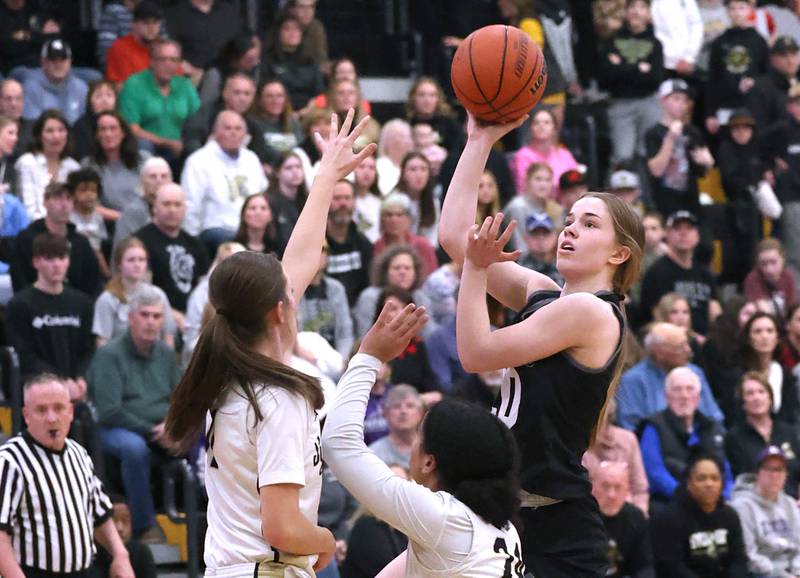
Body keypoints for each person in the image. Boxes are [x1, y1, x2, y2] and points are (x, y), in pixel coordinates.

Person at [164, 110, 377, 577]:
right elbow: (281, 527)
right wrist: (323, 538)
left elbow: (299, 261)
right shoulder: (278, 398)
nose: (295, 285)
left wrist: (324, 179)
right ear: (279, 310)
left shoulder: (226, 374)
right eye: (288, 290)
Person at [439, 113, 644, 576]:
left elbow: (475, 353)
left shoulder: (591, 313)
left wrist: (475, 270)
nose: (569, 228)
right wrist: (480, 139)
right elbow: (454, 237)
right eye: (569, 219)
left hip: (556, 528)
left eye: (589, 224)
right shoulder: (543, 294)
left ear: (618, 253)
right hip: (499, 508)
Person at [322, 302, 526, 577]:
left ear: (430, 462)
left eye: (420, 435)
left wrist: (368, 356)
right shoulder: (499, 528)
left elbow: (338, 445)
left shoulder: (442, 519)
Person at [0, 374, 135, 578]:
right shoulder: (9, 461)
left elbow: (100, 513)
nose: (52, 418)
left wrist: (120, 554)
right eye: (41, 410)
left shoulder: (78, 454)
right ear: (26, 415)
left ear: (70, 412)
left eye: (59, 408)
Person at [87, 285, 181, 543]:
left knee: (203, 437)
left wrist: (173, 427)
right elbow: (109, 411)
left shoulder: (165, 353)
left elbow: (180, 398)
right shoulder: (110, 355)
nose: (151, 322)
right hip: (116, 428)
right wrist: (154, 431)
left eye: (157, 316)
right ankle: (144, 526)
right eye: (145, 315)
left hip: (162, 427)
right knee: (134, 449)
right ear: (131, 318)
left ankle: (199, 518)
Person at [6, 232, 94, 397]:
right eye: (49, 258)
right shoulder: (20, 305)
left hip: (76, 387)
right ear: (35, 262)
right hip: (35, 387)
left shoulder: (82, 303)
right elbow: (24, 356)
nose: (57, 265)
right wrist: (60, 381)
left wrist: (82, 377)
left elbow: (87, 350)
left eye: (62, 258)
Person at [639, 366, 733, 509]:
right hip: (670, 504)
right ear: (666, 396)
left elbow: (724, 469)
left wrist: (723, 495)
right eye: (677, 390)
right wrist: (690, 497)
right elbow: (654, 473)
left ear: (698, 397)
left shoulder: (712, 427)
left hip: (713, 503)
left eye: (690, 389)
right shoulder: (653, 427)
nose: (684, 395)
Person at [650, 451, 748, 578]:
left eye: (715, 478)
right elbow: (672, 568)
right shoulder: (667, 519)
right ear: (689, 484)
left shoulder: (730, 516)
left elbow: (738, 561)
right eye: (701, 478)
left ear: (721, 484)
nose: (709, 484)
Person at [181, 110, 267, 253]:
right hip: (215, 230)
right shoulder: (198, 161)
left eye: (238, 129)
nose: (233, 133)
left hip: (250, 231)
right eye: (227, 128)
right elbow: (191, 204)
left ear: (245, 134)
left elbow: (261, 195)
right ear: (215, 132)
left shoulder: (251, 159)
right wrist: (192, 243)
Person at [616, 322, 724, 431]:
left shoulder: (695, 372)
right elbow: (630, 427)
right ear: (659, 354)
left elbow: (714, 415)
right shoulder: (633, 381)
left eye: (687, 344)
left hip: (700, 442)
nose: (689, 351)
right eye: (680, 347)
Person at [597, 0, 665, 165]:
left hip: (649, 102)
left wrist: (621, 66)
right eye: (632, 7)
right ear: (626, 12)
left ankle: (649, 191)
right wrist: (637, 67)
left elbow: (655, 79)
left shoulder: (656, 45)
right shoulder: (611, 42)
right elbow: (605, 78)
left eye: (642, 7)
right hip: (620, 103)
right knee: (622, 156)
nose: (636, 11)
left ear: (649, 13)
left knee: (649, 154)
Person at [134, 183, 209, 320]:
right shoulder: (141, 242)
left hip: (192, 314)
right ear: (154, 208)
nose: (172, 210)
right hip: (155, 315)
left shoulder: (195, 244)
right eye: (166, 204)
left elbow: (204, 288)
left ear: (185, 209)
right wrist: (173, 316)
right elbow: (142, 290)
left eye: (177, 204)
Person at [11, 181, 100, 296]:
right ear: (45, 202)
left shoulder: (81, 243)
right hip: (35, 306)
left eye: (69, 199)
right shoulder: (27, 238)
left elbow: (92, 281)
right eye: (58, 198)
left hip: (74, 307)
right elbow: (19, 279)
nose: (64, 205)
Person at [118, 39, 200, 162]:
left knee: (195, 147)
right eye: (163, 59)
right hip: (150, 146)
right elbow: (132, 129)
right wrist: (166, 142)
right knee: (143, 146)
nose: (168, 64)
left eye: (173, 60)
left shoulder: (185, 85)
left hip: (179, 147)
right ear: (152, 62)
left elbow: (197, 121)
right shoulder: (134, 84)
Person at [640, 210, 718, 335]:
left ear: (697, 236)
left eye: (689, 228)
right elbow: (656, 318)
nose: (683, 233)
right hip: (670, 340)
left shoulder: (706, 274)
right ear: (667, 235)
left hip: (703, 343)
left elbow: (715, 313)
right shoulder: (656, 273)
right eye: (677, 228)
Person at [645, 79, 714, 218]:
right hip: (662, 200)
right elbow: (656, 170)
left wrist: (708, 162)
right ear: (663, 101)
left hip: (690, 199)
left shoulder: (692, 132)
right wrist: (670, 139)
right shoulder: (653, 133)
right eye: (676, 98)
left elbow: (702, 171)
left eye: (684, 100)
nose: (681, 104)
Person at [725, 372, 800, 497]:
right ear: (742, 402)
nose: (757, 397)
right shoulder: (734, 438)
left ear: (770, 398)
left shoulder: (789, 431)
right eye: (750, 393)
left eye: (761, 392)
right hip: (755, 504)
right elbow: (740, 479)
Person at [93, 236, 175, 348]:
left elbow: (168, 337)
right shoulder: (107, 299)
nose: (137, 265)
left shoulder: (158, 295)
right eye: (131, 260)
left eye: (141, 260)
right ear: (119, 265)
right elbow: (102, 342)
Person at [730, 445, 800, 577]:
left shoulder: (790, 503)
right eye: (769, 469)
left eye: (780, 470)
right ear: (757, 473)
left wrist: (797, 571)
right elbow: (749, 556)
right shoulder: (742, 507)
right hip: (763, 573)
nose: (774, 475)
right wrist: (781, 575)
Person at [704, 0, 769, 136]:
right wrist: (710, 113)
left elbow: (768, 75)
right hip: (725, 106)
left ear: (750, 10)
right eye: (732, 8)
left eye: (741, 8)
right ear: (727, 12)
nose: (737, 13)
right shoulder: (719, 42)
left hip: (752, 107)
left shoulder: (759, 40)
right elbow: (712, 79)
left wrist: (755, 82)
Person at [583, 399, 650, 514]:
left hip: (625, 513)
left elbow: (640, 489)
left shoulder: (628, 440)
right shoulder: (573, 447)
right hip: (587, 513)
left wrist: (639, 516)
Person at [590, 461, 655, 578]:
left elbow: (644, 566)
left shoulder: (636, 517)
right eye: (605, 486)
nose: (611, 495)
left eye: (618, 487)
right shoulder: (579, 517)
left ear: (627, 490)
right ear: (593, 486)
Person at [14, 109, 80, 220]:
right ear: (39, 136)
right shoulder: (27, 163)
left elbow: (77, 209)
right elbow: (29, 211)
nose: (56, 136)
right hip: (36, 229)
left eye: (61, 130)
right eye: (50, 131)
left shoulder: (74, 167)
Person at [82, 110, 147, 221]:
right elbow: (88, 205)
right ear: (97, 135)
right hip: (109, 226)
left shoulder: (143, 160)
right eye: (103, 129)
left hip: (144, 223)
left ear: (123, 133)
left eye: (113, 128)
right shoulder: (89, 165)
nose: (108, 134)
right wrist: (124, 219)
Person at [510, 109, 579, 193]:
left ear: (554, 129)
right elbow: (524, 189)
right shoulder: (522, 156)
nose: (541, 126)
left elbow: (577, 181)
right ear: (531, 129)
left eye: (546, 122)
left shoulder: (564, 154)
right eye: (536, 123)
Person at [22, 39, 88, 125]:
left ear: (70, 61)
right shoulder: (30, 88)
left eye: (63, 59)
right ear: (43, 62)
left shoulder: (81, 88)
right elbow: (31, 126)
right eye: (53, 60)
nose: (58, 64)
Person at [372, 193, 438, 277]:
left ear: (409, 219)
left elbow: (432, 276)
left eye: (399, 215)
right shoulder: (377, 246)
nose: (394, 220)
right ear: (381, 220)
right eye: (389, 215)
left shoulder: (422, 245)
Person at [112, 156, 172, 248]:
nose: (159, 181)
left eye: (164, 176)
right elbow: (122, 249)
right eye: (153, 176)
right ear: (142, 181)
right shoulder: (132, 211)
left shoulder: (176, 209)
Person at [93, 495, 157, 578]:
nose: (120, 528)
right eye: (113, 520)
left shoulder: (141, 553)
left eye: (125, 520)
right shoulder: (89, 554)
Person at [105, 1, 164, 88]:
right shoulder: (120, 48)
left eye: (155, 23)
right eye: (146, 23)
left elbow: (179, 81)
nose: (151, 28)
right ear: (133, 25)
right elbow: (118, 86)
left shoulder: (165, 49)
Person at [743, 238, 797, 318]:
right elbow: (765, 311)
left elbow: (792, 310)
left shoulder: (788, 277)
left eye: (773, 262)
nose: (769, 270)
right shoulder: (753, 278)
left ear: (783, 259)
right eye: (764, 264)